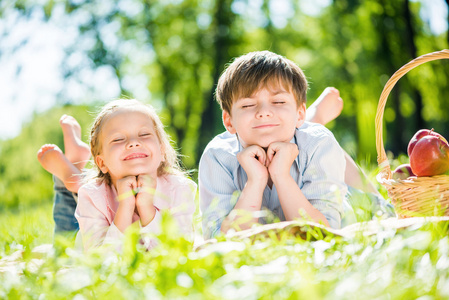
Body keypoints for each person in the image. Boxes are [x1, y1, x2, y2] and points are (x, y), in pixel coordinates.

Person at [199, 50, 394, 239]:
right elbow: (220, 241)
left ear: (299, 113)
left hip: (359, 209)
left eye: (278, 102)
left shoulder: (318, 143)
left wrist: (281, 176)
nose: (264, 112)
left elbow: (322, 234)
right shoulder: (217, 156)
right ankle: (313, 117)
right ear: (228, 121)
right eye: (248, 105)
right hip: (303, 141)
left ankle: (312, 120)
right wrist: (255, 181)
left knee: (374, 203)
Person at [39, 99, 197, 251]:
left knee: (76, 186)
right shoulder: (92, 195)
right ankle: (66, 177)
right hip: (82, 244)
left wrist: (147, 208)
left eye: (144, 135)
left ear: (162, 151)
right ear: (101, 163)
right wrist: (125, 207)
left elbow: (178, 251)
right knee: (62, 248)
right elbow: (101, 260)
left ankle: (72, 170)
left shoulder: (179, 188)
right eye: (119, 139)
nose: (134, 142)